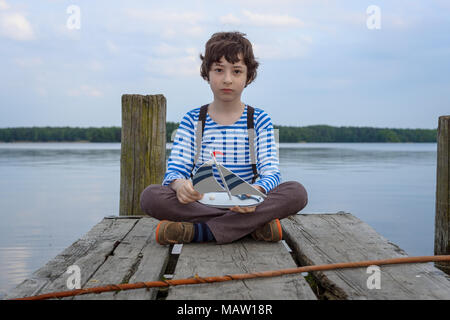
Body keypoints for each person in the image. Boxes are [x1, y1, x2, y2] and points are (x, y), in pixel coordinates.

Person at [140, 31, 308, 245]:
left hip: (247, 204)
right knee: (151, 196)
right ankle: (250, 228)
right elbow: (175, 170)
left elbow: (271, 172)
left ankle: (200, 233)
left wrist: (256, 192)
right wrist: (180, 185)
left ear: (248, 76)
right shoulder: (193, 119)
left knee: (296, 192)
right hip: (201, 203)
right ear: (207, 73)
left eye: (236, 71)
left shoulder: (259, 119)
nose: (227, 79)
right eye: (219, 70)